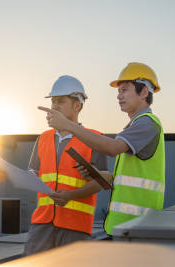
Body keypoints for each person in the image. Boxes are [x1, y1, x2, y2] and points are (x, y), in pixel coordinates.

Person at [38, 62, 165, 235]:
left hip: (139, 226)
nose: (119, 96)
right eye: (118, 91)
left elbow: (112, 148)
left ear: (143, 92)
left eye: (125, 90)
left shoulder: (147, 123)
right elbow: (126, 179)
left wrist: (67, 125)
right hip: (129, 226)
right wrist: (99, 175)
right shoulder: (134, 126)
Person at [24, 75, 108, 255]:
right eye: (53, 101)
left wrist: (71, 195)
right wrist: (25, 177)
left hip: (75, 225)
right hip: (42, 222)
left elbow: (100, 182)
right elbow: (33, 172)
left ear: (77, 105)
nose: (54, 106)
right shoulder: (43, 138)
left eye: (60, 102)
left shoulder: (95, 139)